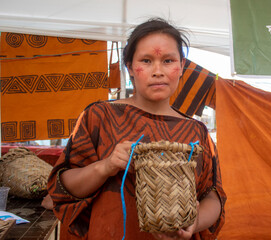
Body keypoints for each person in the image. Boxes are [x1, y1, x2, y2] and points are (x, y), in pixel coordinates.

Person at [47, 18, 226, 240]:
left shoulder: (197, 132)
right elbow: (62, 187)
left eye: (168, 60)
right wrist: (106, 166)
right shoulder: (99, 117)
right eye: (147, 61)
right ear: (130, 67)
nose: (158, 71)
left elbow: (213, 195)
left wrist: (194, 222)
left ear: (181, 67)